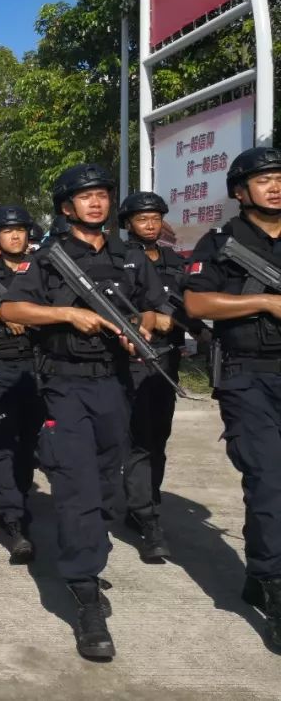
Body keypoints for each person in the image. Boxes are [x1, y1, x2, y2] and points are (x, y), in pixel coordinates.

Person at [2, 163, 167, 660]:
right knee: (74, 485)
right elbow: (12, 310)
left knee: (106, 483)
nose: (95, 203)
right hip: (63, 385)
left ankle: (89, 550)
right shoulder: (49, 260)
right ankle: (85, 588)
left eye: (101, 195)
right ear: (66, 206)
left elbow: (159, 309)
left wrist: (143, 328)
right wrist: (68, 313)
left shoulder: (131, 257)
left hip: (116, 385)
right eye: (84, 196)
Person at [183, 147, 281, 648]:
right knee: (268, 478)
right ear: (240, 191)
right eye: (263, 179)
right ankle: (275, 585)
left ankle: (259, 573)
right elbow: (197, 302)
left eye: (279, 177)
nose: (275, 186)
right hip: (248, 376)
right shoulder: (221, 243)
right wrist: (264, 301)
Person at [119, 191, 203, 562]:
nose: (150, 224)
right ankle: (147, 518)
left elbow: (191, 305)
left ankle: (142, 503)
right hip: (134, 360)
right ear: (128, 225)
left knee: (159, 439)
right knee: (139, 440)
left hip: (167, 360)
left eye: (155, 218)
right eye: (142, 219)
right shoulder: (120, 260)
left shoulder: (175, 261)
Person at [0, 204, 44, 563]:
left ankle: (20, 500)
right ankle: (12, 519)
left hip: (38, 365)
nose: (16, 236)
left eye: (20, 230)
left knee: (30, 444)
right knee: (1, 442)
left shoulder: (44, 268)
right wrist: (0, 314)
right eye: (7, 231)